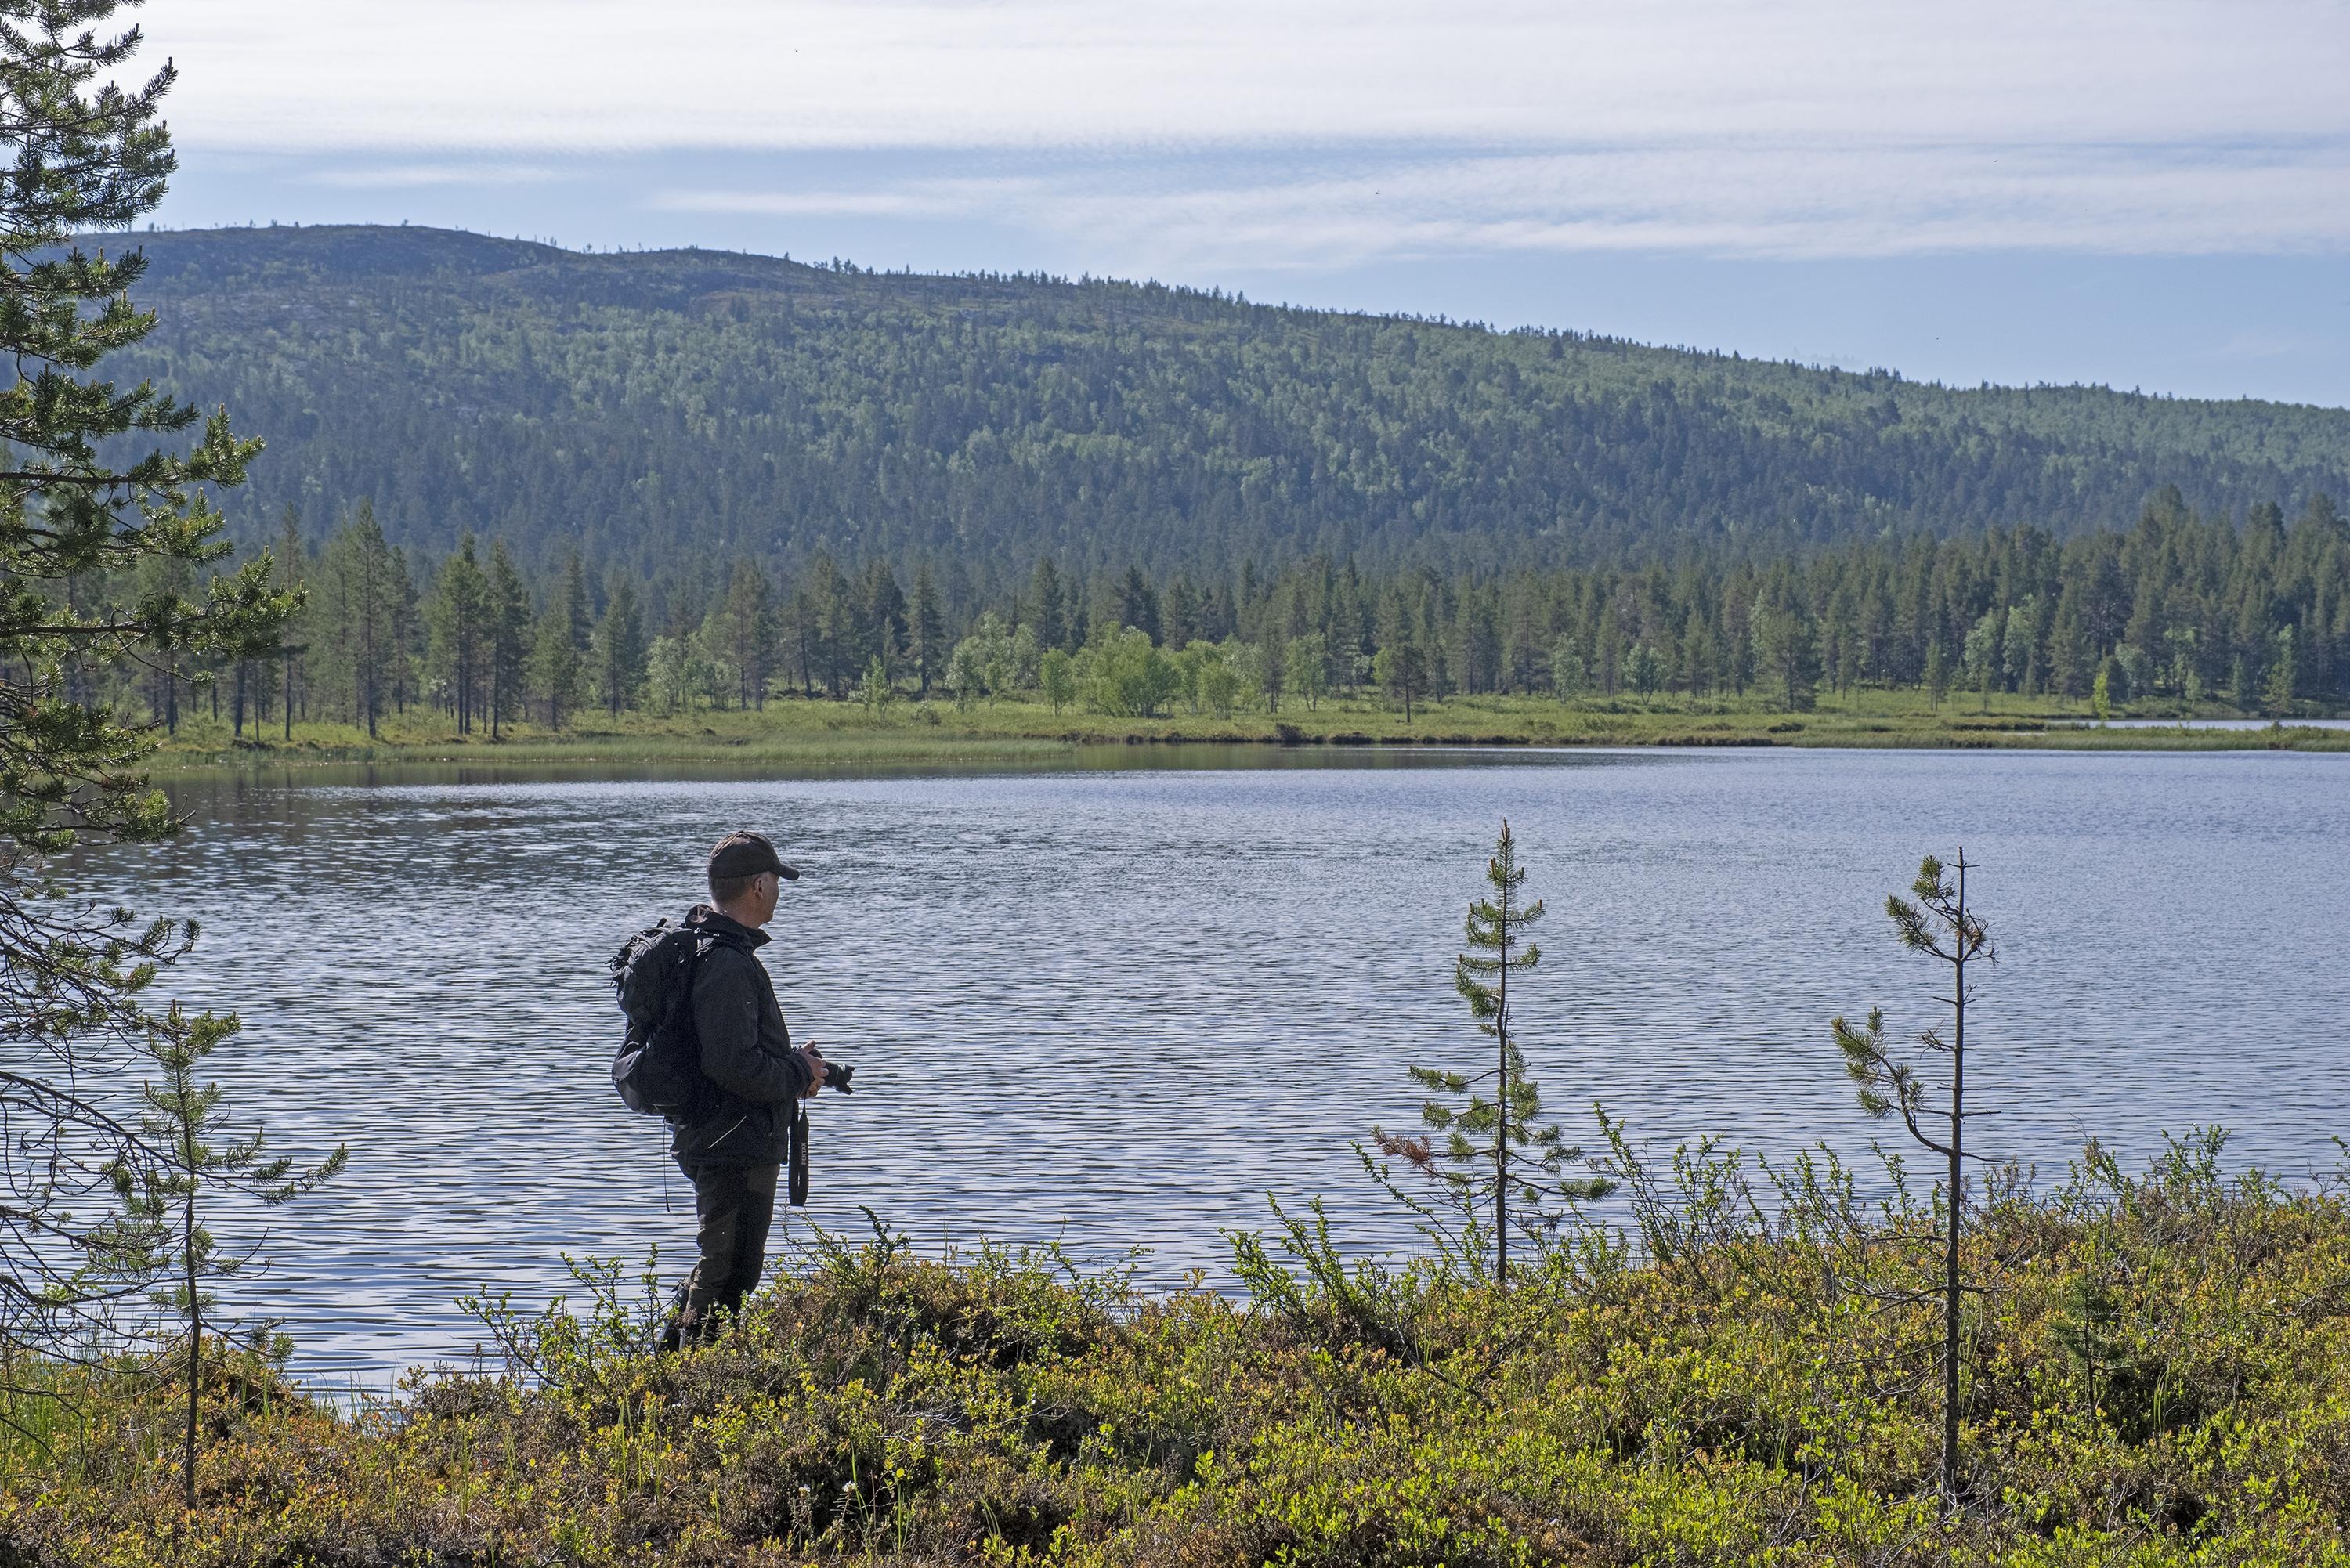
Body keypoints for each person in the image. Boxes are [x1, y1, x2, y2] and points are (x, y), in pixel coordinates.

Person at [660, 829, 830, 1349]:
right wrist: (800, 1075)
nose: (779, 891)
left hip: (726, 1137)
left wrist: (796, 1064)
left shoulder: (717, 953)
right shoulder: (728, 964)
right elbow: (734, 1066)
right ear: (759, 885)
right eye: (777, 881)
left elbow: (735, 1054)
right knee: (728, 1274)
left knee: (726, 1268)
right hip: (731, 1143)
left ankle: (667, 1373)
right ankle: (687, 1385)